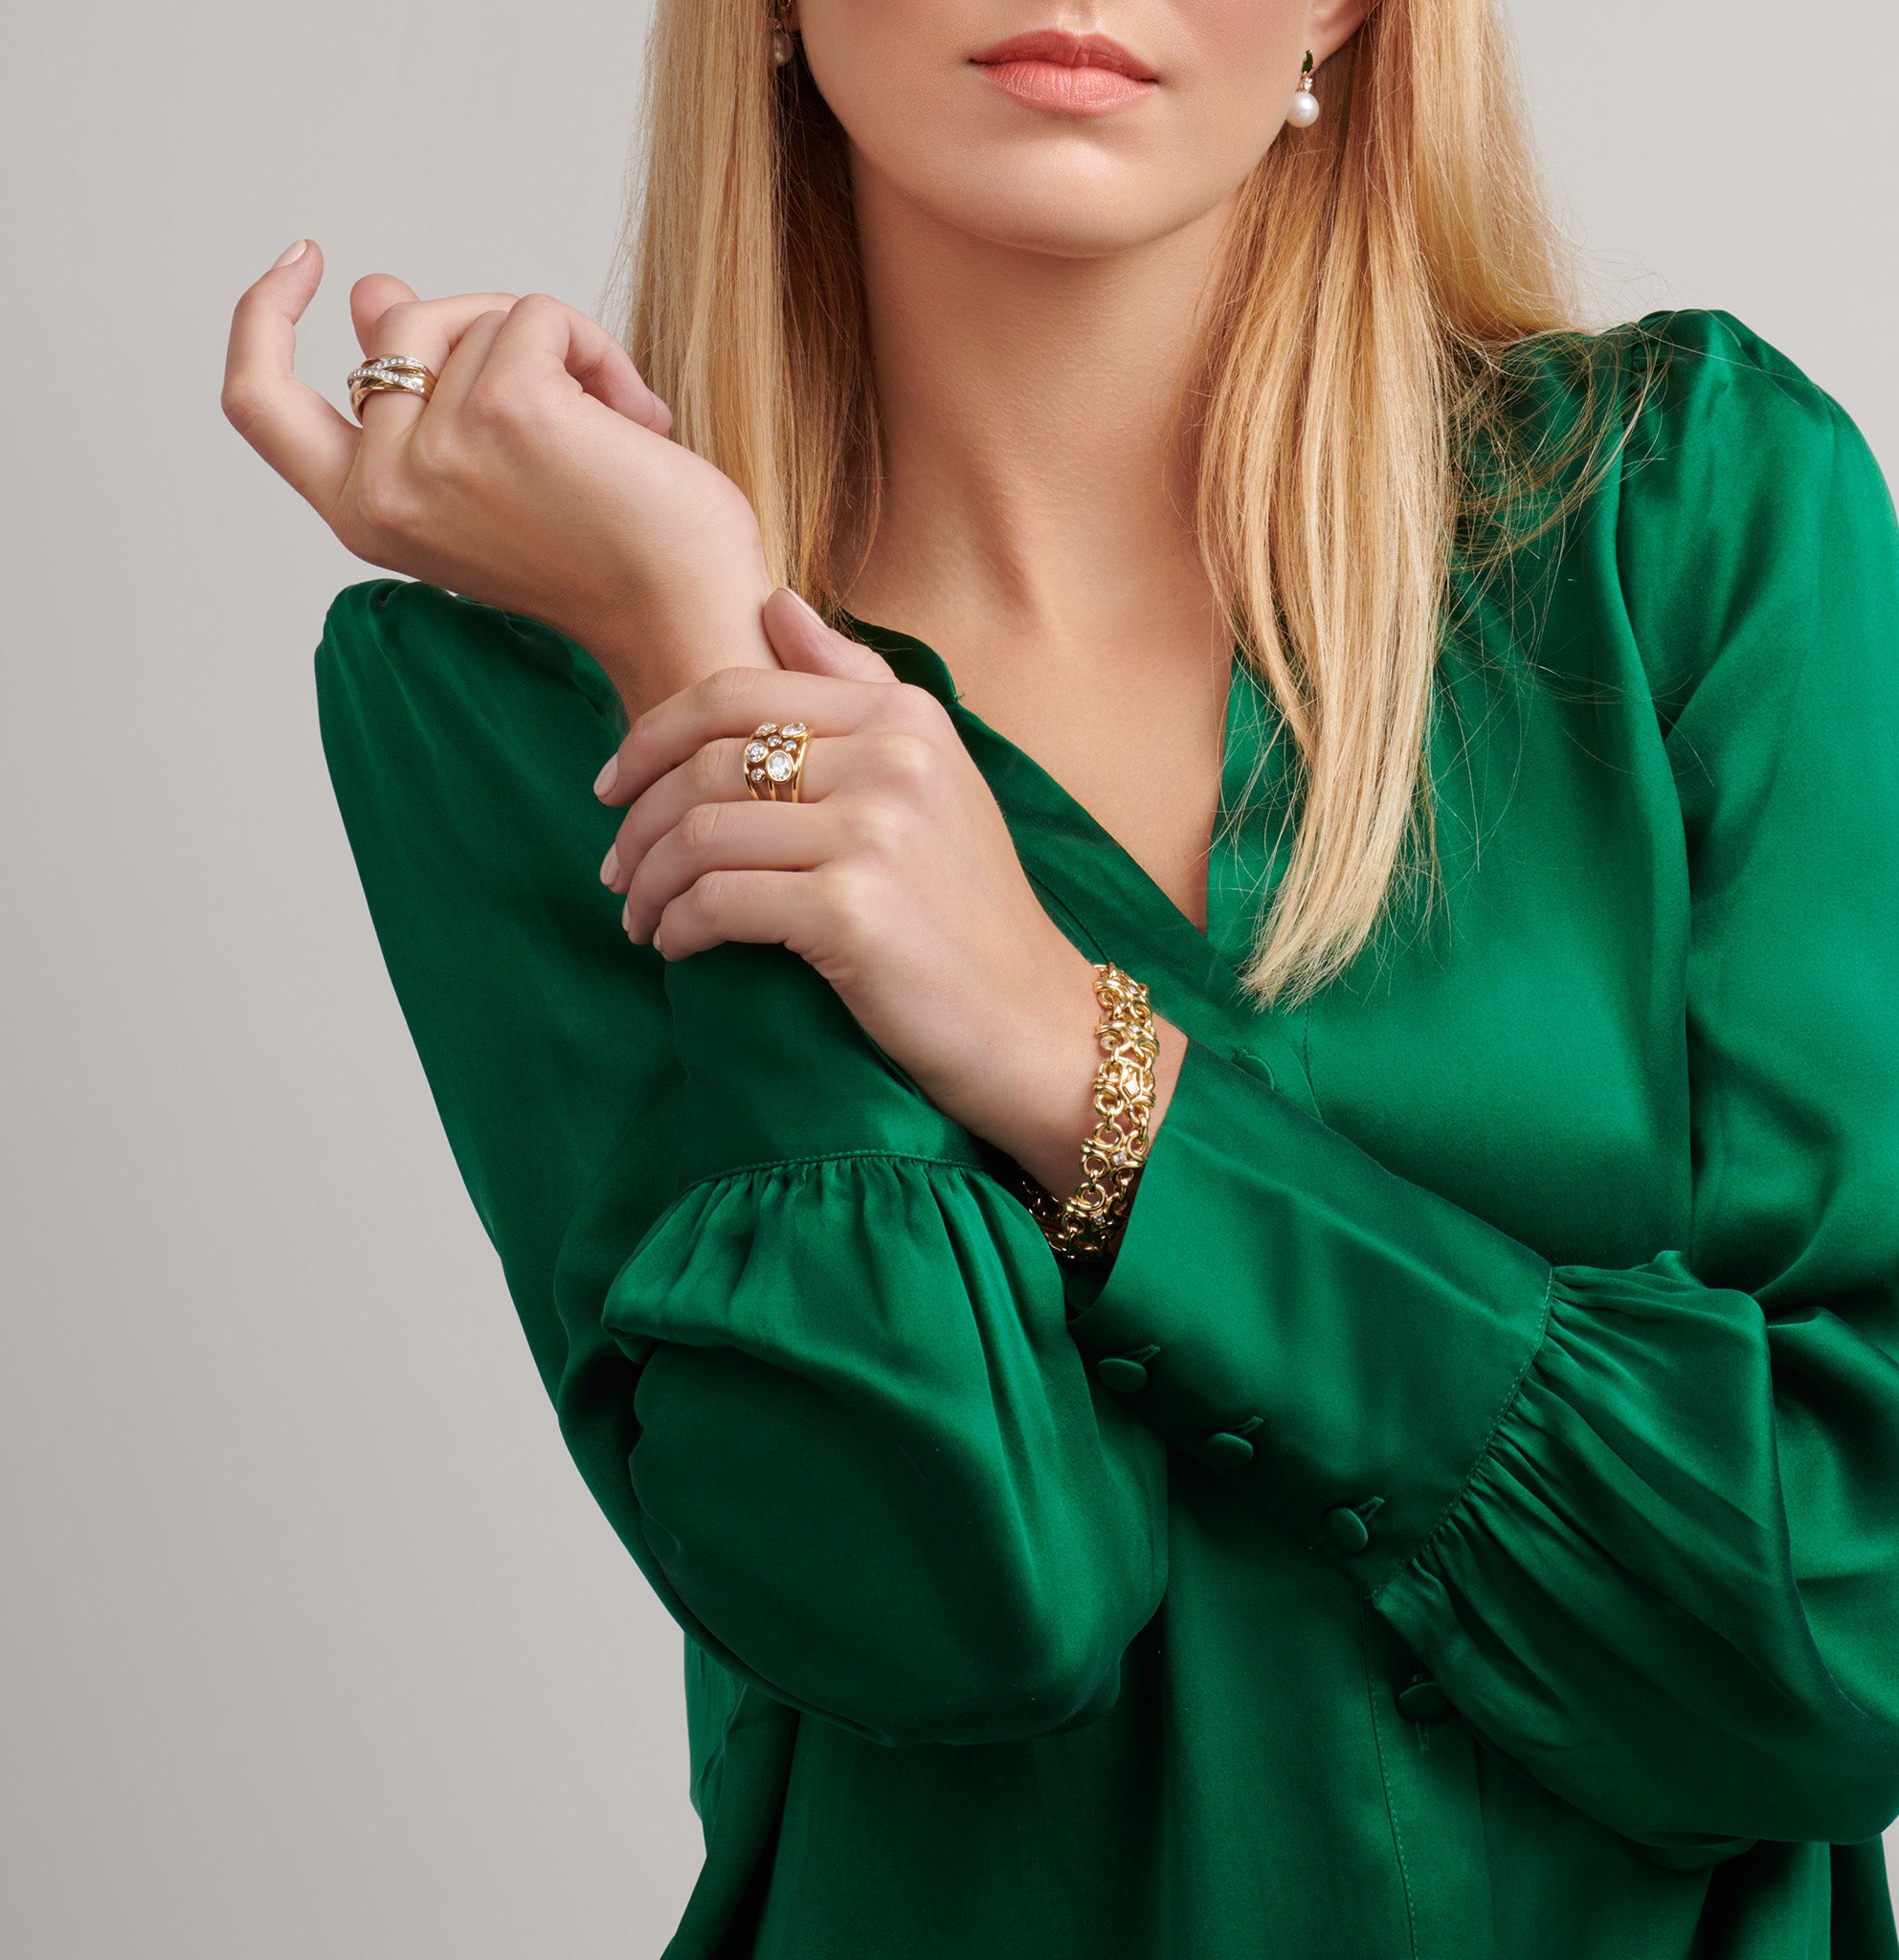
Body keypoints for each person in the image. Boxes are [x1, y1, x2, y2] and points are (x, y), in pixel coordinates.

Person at [221, 3, 1899, 1954]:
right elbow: (950, 1601)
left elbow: (1840, 1630)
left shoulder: (1679, 516)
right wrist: (701, 664)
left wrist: (1067, 1060)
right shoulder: (534, 694)